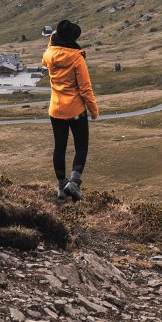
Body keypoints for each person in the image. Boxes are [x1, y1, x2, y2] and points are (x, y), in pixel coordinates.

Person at [41, 19, 98, 201]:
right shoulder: (76, 58)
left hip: (55, 110)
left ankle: (61, 187)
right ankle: (73, 183)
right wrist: (93, 110)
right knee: (81, 147)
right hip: (75, 110)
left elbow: (50, 46)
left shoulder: (49, 55)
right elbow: (85, 88)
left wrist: (53, 38)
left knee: (60, 147)